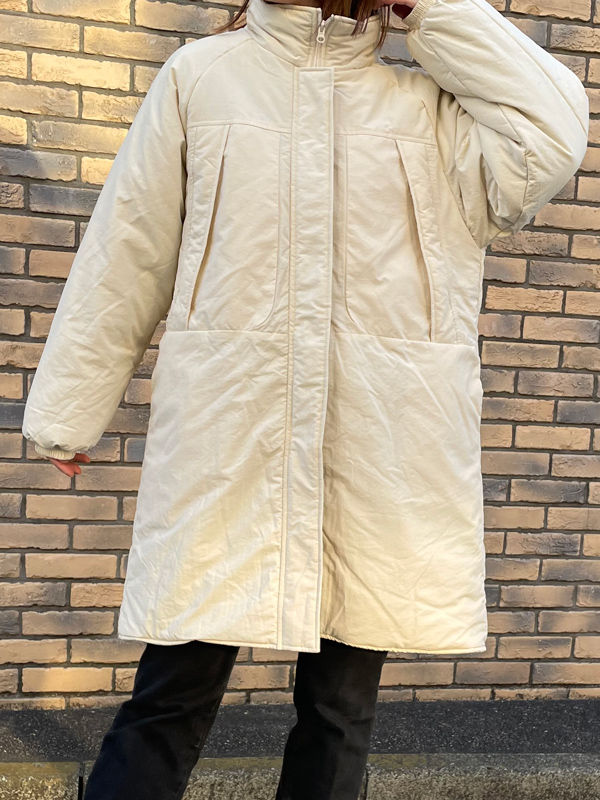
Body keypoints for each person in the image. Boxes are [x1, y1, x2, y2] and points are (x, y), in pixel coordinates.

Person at [21, 0, 588, 796]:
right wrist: (70, 410)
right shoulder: (202, 80)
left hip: (378, 448)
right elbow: (129, 247)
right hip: (231, 440)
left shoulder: (429, 109)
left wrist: (428, 10)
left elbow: (553, 130)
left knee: (340, 711)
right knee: (172, 696)